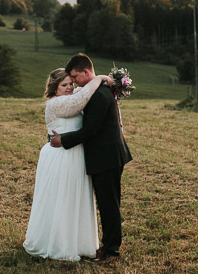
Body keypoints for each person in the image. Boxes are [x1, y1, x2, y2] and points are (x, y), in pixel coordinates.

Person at [23, 67, 115, 261]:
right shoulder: (56, 104)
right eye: (63, 85)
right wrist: (98, 78)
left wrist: (108, 81)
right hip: (60, 157)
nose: (69, 88)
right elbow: (79, 100)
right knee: (61, 199)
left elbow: (83, 93)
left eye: (71, 84)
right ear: (54, 88)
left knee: (76, 199)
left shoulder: (73, 95)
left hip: (76, 157)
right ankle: (57, 243)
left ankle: (78, 243)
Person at [50, 53, 133, 265]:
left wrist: (63, 140)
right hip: (106, 156)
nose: (75, 82)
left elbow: (90, 130)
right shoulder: (95, 91)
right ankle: (108, 246)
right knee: (107, 203)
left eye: (76, 77)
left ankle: (112, 251)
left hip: (107, 157)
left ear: (86, 72)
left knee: (109, 205)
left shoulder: (98, 96)